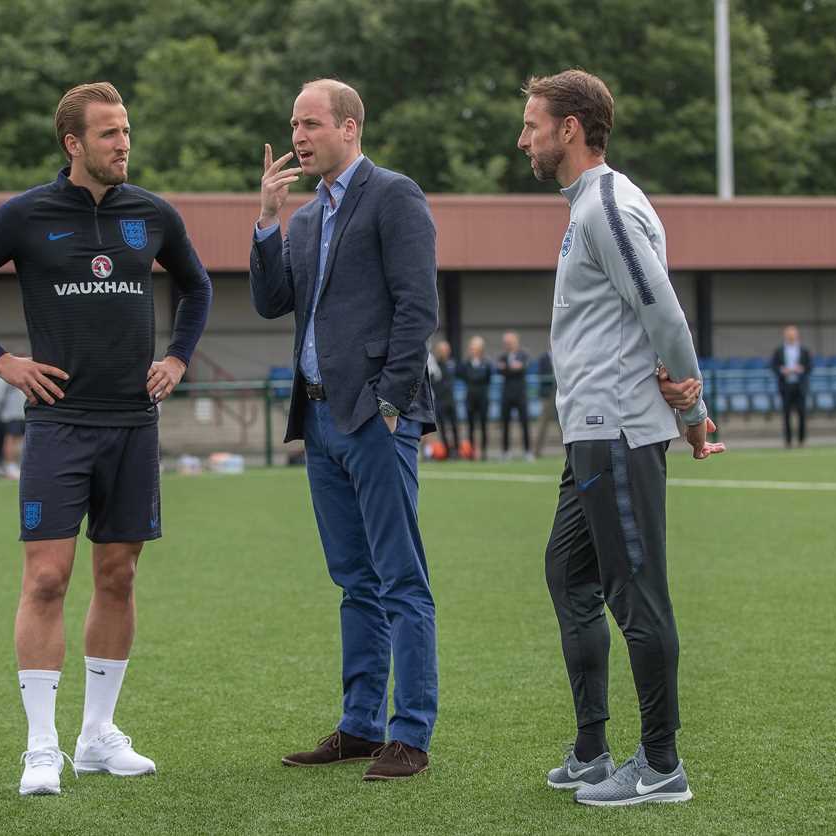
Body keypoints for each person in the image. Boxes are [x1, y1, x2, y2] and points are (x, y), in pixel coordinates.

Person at [0, 82, 213, 796]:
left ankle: (96, 736)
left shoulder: (152, 215)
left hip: (132, 425)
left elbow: (198, 286)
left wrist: (178, 357)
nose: (124, 143)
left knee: (118, 576)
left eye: (126, 131)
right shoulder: (26, 215)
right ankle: (41, 746)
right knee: (48, 578)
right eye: (110, 133)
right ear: (73, 144)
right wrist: (4, 361)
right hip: (59, 425)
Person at [517, 69, 724, 807]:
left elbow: (662, 309)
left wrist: (694, 409)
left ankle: (662, 764)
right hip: (590, 433)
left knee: (637, 596)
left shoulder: (606, 205)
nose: (525, 140)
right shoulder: (585, 209)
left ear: (570, 129)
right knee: (567, 575)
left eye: (533, 126)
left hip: (617, 431)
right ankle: (591, 750)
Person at [249, 78, 439, 781]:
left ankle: (410, 733)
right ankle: (360, 727)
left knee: (400, 579)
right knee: (353, 580)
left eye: (310, 123)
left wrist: (391, 404)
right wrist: (268, 220)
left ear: (350, 127)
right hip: (320, 418)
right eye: (293, 125)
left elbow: (419, 306)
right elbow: (272, 302)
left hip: (375, 419)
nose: (298, 136)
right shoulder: (302, 220)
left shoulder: (394, 195)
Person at [772, 325, 812, 447]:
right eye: (789, 334)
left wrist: (801, 369)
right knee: (786, 415)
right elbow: (774, 366)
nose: (791, 336)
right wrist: (782, 370)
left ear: (797, 335)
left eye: (793, 334)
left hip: (800, 386)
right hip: (785, 386)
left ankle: (801, 440)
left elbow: (809, 367)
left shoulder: (804, 350)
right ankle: (788, 441)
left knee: (802, 414)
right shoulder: (779, 351)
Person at [496, 331, 532, 459]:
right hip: (506, 394)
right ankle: (505, 451)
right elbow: (500, 369)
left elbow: (520, 368)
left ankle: (528, 451)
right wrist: (511, 368)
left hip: (520, 394)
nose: (507, 344)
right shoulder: (502, 356)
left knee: (524, 423)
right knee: (505, 424)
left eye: (510, 342)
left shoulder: (523, 354)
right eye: (506, 342)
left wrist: (508, 368)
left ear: (516, 341)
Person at [458, 335, 492, 459]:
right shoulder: (466, 364)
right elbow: (463, 376)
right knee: (470, 426)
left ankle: (484, 452)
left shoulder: (486, 363)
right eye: (471, 347)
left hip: (483, 398)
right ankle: (471, 452)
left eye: (475, 347)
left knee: (483, 425)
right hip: (470, 398)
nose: (472, 350)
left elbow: (488, 378)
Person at [429, 339, 461, 458]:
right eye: (442, 350)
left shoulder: (452, 363)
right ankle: (447, 450)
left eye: (446, 350)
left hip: (451, 400)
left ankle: (457, 451)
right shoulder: (434, 365)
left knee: (454, 426)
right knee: (442, 427)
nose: (444, 352)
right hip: (440, 400)